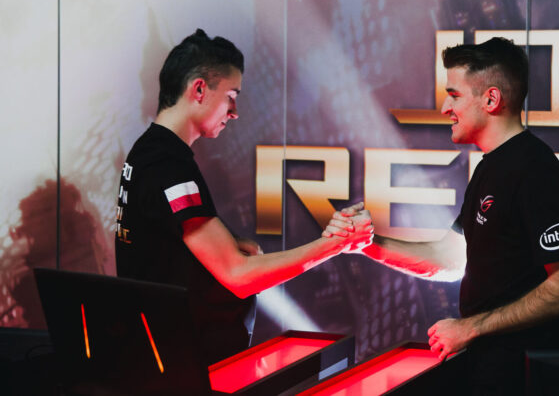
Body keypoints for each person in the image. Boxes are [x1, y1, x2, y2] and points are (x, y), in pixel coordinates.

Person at [330, 37, 559, 393]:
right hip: (491, 369)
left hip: (529, 376)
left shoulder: (536, 170)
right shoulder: (489, 168)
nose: (445, 108)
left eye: (454, 95)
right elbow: (448, 259)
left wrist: (471, 327)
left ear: (491, 99)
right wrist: (367, 244)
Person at [115, 29, 372, 365]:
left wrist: (229, 242)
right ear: (199, 89)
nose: (234, 111)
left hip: (167, 357)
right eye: (231, 96)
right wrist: (334, 244)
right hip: (184, 366)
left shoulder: (148, 152)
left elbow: (164, 238)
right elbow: (238, 276)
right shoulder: (168, 165)